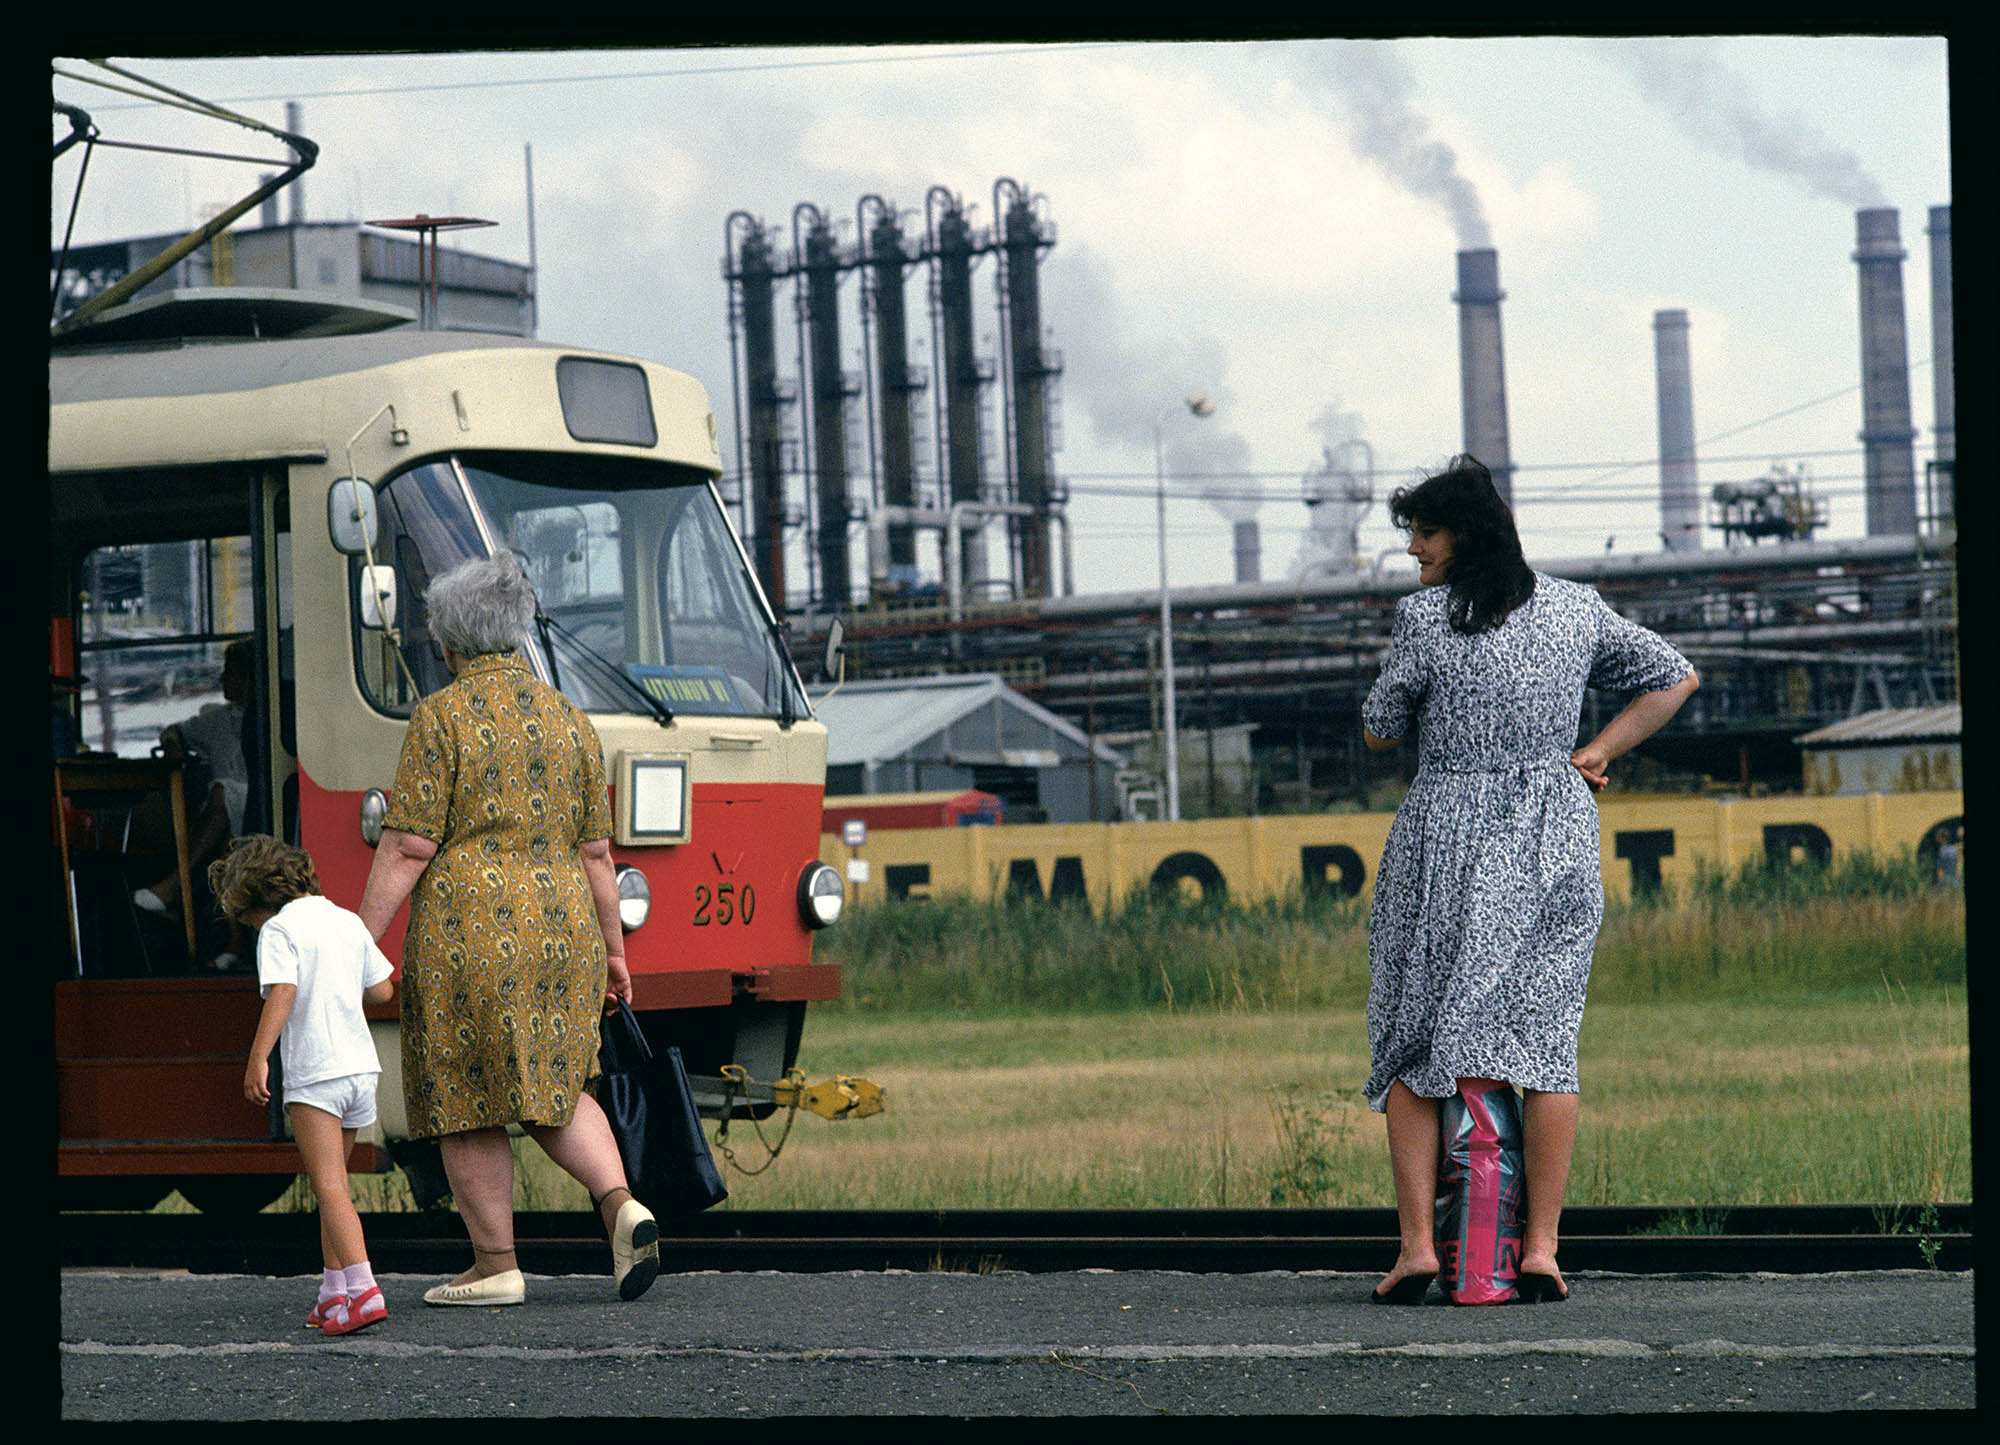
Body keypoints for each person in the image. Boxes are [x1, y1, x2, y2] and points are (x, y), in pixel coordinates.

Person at [1359, 456, 1698, 1305]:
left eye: (1423, 532)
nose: (1412, 549)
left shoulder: (1426, 617)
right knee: (1545, 1042)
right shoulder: (1576, 607)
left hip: (1446, 837)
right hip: (1553, 833)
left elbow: (1378, 727)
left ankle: (1415, 1249)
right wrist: (1598, 750)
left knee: (1413, 1038)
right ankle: (1541, 1247)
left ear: (1461, 535)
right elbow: (1676, 675)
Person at [356, 551, 659, 1308]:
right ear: (518, 632)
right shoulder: (570, 719)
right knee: (557, 1084)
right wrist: (616, 953)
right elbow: (597, 852)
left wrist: (357, 940)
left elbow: (408, 843)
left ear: (450, 642)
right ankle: (621, 1204)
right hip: (565, 932)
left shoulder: (441, 716)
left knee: (466, 1093)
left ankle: (496, 1264)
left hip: (469, 934)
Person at [211, 834, 396, 1337]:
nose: (248, 926)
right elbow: (381, 988)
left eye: (244, 915)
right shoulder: (345, 921)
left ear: (255, 901)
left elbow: (283, 992)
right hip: (361, 1071)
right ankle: (333, 1292)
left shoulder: (278, 929)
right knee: (332, 1185)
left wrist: (257, 1058)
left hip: (317, 1074)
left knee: (329, 1187)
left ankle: (363, 1291)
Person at [136, 638, 254, 967]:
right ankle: (234, 944)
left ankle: (174, 885)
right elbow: (172, 730)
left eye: (230, 673)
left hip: (260, 807)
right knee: (227, 846)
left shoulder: (274, 715)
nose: (222, 680)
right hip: (229, 819)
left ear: (249, 677)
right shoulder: (214, 719)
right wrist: (174, 745)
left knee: (221, 794)